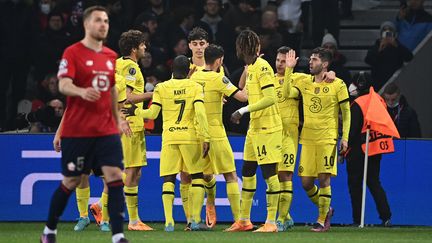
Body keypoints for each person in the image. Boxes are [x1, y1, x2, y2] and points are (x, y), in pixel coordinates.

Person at [40, 6, 128, 243]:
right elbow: (63, 85)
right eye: (98, 20)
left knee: (115, 176)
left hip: (106, 130)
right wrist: (80, 91)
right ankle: (49, 231)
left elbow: (111, 89)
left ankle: (118, 235)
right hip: (78, 131)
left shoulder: (110, 56)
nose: (103, 24)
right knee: (72, 180)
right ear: (86, 24)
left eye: (106, 21)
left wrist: (118, 118)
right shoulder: (73, 52)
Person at [122, 55, 211, 231]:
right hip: (189, 137)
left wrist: (135, 111)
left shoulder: (161, 88)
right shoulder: (195, 86)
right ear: (188, 71)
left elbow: (153, 114)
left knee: (168, 179)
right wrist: (205, 137)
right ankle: (194, 220)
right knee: (197, 177)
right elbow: (200, 113)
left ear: (172, 70)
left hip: (169, 137)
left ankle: (169, 221)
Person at [283, 48, 351, 232]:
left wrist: (344, 137)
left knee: (324, 179)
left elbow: (346, 112)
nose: (310, 62)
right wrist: (289, 68)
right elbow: (287, 92)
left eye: (314, 60)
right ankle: (326, 209)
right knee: (306, 183)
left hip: (327, 138)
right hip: (307, 138)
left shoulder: (338, 84)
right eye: (310, 59)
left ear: (325, 64)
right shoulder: (304, 81)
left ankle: (321, 220)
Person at [228, 30, 282, 232]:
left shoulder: (263, 67)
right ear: (257, 46)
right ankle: (244, 220)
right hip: (255, 128)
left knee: (269, 174)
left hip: (269, 127)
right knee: (248, 171)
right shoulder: (251, 67)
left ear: (240, 48)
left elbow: (270, 98)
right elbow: (249, 93)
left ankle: (271, 222)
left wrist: (243, 110)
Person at [190, 44, 248, 229]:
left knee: (202, 176)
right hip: (215, 132)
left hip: (198, 132)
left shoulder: (194, 77)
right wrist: (247, 74)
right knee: (230, 175)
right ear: (219, 61)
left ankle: (195, 219)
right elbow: (243, 97)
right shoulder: (219, 79)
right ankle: (239, 220)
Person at [112, 29, 154, 231]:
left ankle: (108, 207)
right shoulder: (131, 67)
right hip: (131, 123)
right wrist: (154, 93)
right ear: (134, 48)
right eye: (143, 44)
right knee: (131, 170)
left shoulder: (119, 63)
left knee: (134, 171)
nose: (145, 47)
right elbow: (128, 97)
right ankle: (132, 220)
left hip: (123, 120)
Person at [345, 72, 393, 227]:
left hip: (359, 149)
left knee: (355, 184)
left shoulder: (358, 103)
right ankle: (386, 217)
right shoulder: (379, 99)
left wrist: (344, 151)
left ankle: (357, 220)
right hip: (375, 146)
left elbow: (352, 132)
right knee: (373, 182)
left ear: (359, 84)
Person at [365, 21, 413, 91]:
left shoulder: (398, 46)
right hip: (378, 82)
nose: (387, 32)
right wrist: (379, 50)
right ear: (381, 33)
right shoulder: (376, 46)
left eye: (390, 30)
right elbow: (368, 60)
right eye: (385, 30)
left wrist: (397, 46)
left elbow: (409, 57)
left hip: (395, 81)